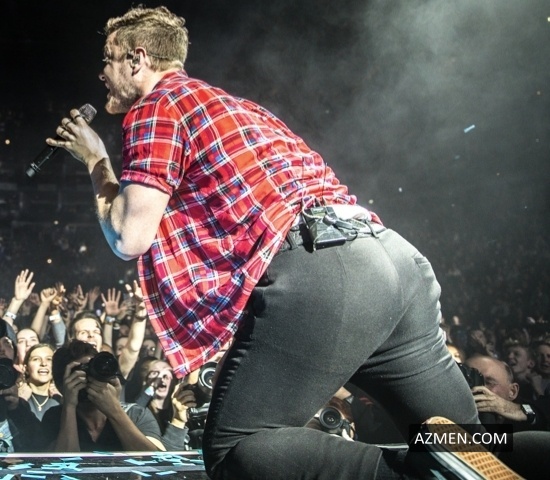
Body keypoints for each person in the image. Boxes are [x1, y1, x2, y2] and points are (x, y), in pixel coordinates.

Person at [46, 5, 519, 479]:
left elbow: (128, 236)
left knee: (235, 449)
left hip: (327, 271)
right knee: (470, 445)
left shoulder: (157, 105)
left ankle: (418, 471)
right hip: (394, 260)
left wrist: (96, 160)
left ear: (137, 59)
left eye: (108, 59)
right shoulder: (240, 107)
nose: (101, 73)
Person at [42, 340, 165, 452]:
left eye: (92, 370)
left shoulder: (136, 414)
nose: (89, 379)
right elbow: (63, 465)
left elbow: (155, 462)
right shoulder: (55, 417)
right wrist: (69, 405)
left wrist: (114, 409)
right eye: (81, 372)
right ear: (61, 384)